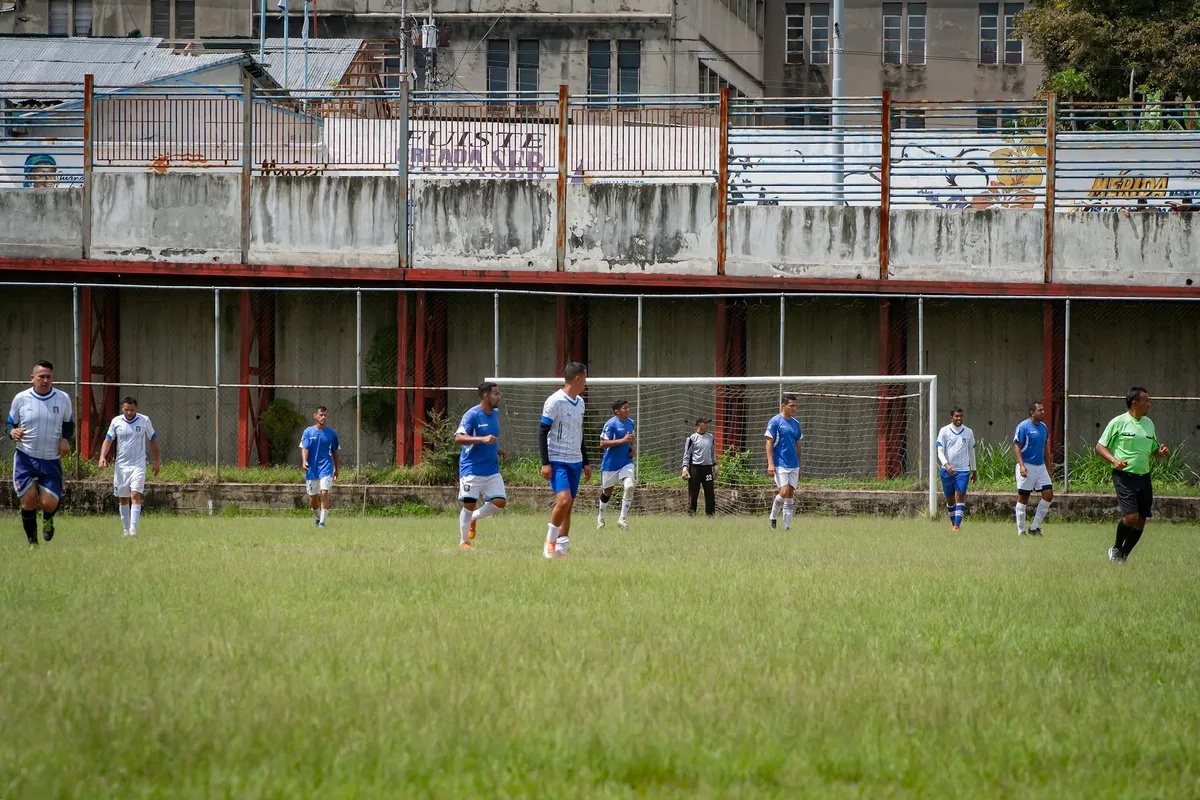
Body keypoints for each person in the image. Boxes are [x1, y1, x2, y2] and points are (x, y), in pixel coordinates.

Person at [1096, 387, 1169, 564]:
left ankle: (1123, 555)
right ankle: (1115, 548)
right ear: (1135, 402)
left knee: (1141, 521)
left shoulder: (1149, 424)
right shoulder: (1118, 422)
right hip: (1124, 477)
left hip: (1144, 476)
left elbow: (1153, 450)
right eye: (1147, 400)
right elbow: (1100, 446)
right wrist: (1114, 460)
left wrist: (1161, 452)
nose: (1149, 404)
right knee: (1130, 517)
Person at [6, 360, 74, 547]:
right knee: (28, 501)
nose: (45, 380)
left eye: (48, 377)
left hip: (51, 459)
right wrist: (12, 432)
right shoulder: (21, 398)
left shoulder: (62, 398)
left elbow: (69, 424)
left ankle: (48, 520)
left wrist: (65, 439)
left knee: (48, 503)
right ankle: (33, 543)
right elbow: (9, 423)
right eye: (41, 377)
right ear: (32, 378)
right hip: (25, 457)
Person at [539, 362, 591, 559]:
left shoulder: (580, 402)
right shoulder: (554, 401)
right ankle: (549, 543)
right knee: (563, 500)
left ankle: (561, 549)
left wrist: (585, 461)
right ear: (577, 378)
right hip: (557, 460)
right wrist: (545, 462)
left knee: (569, 506)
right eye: (585, 379)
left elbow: (580, 433)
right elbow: (542, 432)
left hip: (575, 461)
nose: (586, 383)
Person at [454, 382, 507, 550]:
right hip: (472, 468)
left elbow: (490, 438)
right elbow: (458, 438)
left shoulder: (496, 414)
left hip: (491, 469)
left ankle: (474, 518)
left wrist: (497, 449)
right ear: (486, 396)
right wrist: (482, 439)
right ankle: (464, 542)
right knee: (469, 504)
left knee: (500, 502)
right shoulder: (472, 415)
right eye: (496, 394)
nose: (499, 397)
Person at [98, 396, 160, 537]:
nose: (129, 413)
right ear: (122, 409)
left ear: (136, 408)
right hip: (121, 466)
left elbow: (153, 440)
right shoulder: (116, 422)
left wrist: (157, 460)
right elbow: (108, 440)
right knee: (123, 497)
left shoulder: (144, 420)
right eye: (126, 410)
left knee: (135, 494)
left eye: (132, 410)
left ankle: (133, 531)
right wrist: (102, 457)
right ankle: (125, 530)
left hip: (138, 464)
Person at [1013, 401, 1054, 536]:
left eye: (1043, 410)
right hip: (1027, 465)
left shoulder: (1043, 427)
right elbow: (1017, 446)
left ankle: (1034, 527)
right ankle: (1021, 531)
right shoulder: (1023, 427)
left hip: (1040, 466)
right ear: (1032, 413)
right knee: (1024, 497)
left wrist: (1049, 466)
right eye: (1040, 410)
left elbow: (1045, 448)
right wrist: (1022, 466)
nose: (1043, 412)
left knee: (1048, 494)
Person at [764, 394, 802, 530]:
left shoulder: (796, 423)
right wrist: (770, 463)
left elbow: (797, 444)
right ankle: (772, 517)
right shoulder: (775, 421)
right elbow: (769, 442)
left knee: (790, 494)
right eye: (791, 405)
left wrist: (800, 465)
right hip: (780, 463)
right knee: (784, 492)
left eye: (795, 406)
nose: (794, 408)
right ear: (783, 406)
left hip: (794, 464)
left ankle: (787, 526)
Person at [936, 407, 977, 531]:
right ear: (952, 417)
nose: (959, 418)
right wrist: (946, 464)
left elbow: (971, 451)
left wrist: (974, 470)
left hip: (963, 470)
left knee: (960, 495)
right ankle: (954, 522)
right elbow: (940, 450)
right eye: (957, 416)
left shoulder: (968, 432)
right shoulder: (944, 431)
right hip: (947, 470)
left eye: (961, 416)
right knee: (950, 499)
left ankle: (957, 526)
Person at [597, 399, 636, 530]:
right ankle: (601, 518)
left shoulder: (631, 423)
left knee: (629, 486)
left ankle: (622, 519)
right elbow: (602, 443)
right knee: (607, 492)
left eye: (628, 407)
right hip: (611, 463)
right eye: (625, 408)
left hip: (626, 462)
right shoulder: (611, 424)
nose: (628, 410)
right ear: (617, 411)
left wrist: (633, 448)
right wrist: (622, 440)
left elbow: (631, 438)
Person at [300, 406, 339, 528]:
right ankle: (317, 517)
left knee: (324, 493)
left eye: (325, 415)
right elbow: (305, 447)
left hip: (326, 467)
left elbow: (335, 451)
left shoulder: (332, 433)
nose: (323, 417)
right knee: (313, 499)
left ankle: (322, 523)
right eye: (321, 415)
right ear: (315, 416)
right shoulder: (308, 432)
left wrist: (336, 468)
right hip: (312, 469)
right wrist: (304, 461)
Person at [682, 416, 717, 517]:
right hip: (695, 468)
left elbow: (712, 453)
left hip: (707, 468)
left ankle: (710, 515)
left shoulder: (710, 437)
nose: (706, 425)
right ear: (699, 424)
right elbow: (687, 454)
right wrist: (685, 468)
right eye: (704, 423)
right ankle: (691, 513)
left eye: (707, 423)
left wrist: (715, 465)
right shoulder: (692, 438)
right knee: (693, 492)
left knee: (710, 492)